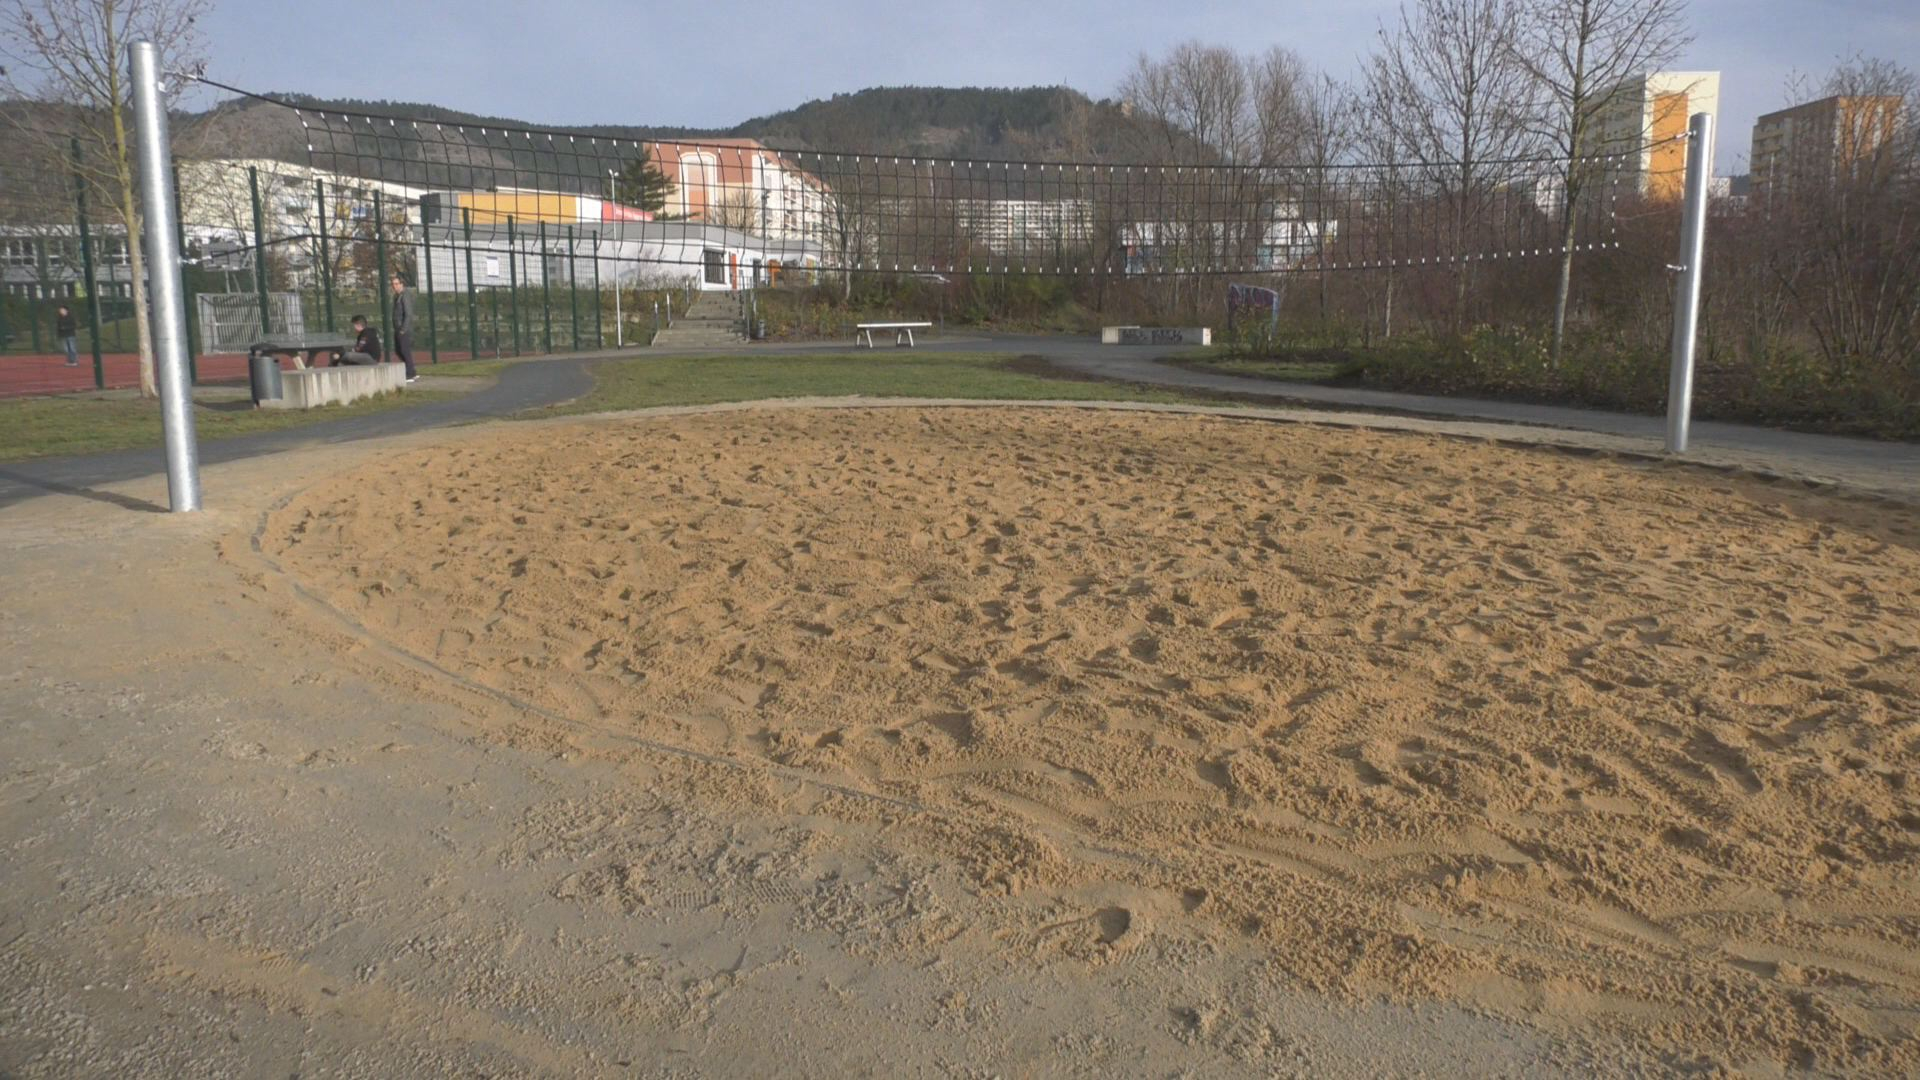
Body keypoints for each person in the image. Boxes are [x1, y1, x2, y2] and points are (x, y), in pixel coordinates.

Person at [389, 273, 417, 382]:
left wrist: (403, 329)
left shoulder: (405, 295)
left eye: (396, 284)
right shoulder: (397, 296)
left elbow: (408, 313)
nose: (394, 286)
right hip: (398, 327)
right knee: (399, 350)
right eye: (393, 284)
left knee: (404, 350)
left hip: (403, 328)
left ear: (402, 284)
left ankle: (409, 373)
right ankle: (411, 371)